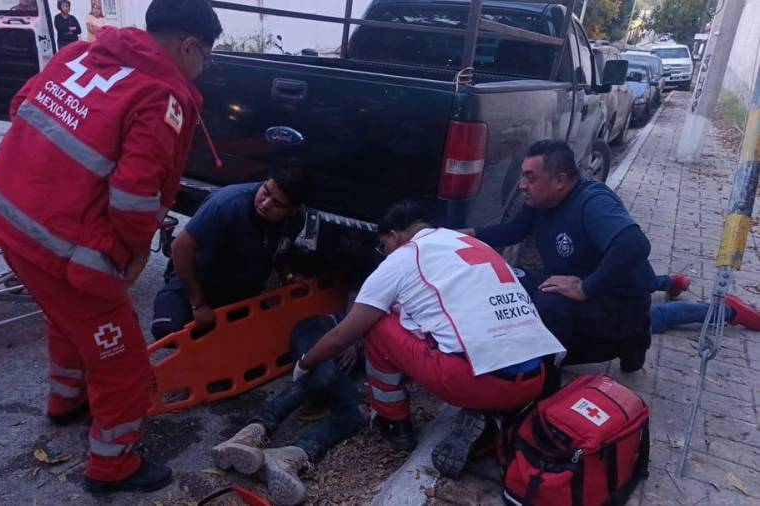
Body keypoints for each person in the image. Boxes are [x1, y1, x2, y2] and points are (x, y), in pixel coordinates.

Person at [0, 0, 222, 494]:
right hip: (64, 248)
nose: (203, 68)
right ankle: (113, 467)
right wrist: (129, 257)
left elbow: (21, 106)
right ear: (189, 46)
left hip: (9, 219)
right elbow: (134, 197)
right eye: (207, 58)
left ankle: (65, 402)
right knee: (123, 363)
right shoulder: (161, 96)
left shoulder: (80, 54)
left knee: (66, 322)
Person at [292, 201, 566, 479]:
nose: (384, 252)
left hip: (476, 383)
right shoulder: (469, 244)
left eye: (383, 245)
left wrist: (304, 363)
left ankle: (393, 422)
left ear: (395, 236)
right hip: (536, 378)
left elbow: (341, 337)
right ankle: (495, 417)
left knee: (376, 324)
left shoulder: (403, 257)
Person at [465, 140, 760, 379]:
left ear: (560, 181)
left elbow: (633, 244)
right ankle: (667, 283)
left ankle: (724, 312)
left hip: (617, 301)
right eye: (522, 176)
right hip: (580, 276)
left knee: (651, 317)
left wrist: (585, 289)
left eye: (530, 177)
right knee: (515, 280)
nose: (522, 185)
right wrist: (459, 235)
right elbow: (510, 231)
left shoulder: (592, 201)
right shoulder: (541, 202)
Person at [211, 312, 367, 505]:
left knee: (359, 411)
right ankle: (250, 432)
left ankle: (289, 456)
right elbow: (355, 306)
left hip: (342, 368)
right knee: (323, 374)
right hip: (320, 328)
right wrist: (353, 337)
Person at [150, 166, 309, 340]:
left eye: (278, 204)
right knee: (169, 331)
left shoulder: (297, 219)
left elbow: (280, 250)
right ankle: (169, 246)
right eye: (266, 191)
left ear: (292, 210)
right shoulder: (227, 204)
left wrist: (289, 275)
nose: (265, 204)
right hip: (202, 280)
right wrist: (199, 304)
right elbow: (181, 248)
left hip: (243, 290)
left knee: (262, 342)